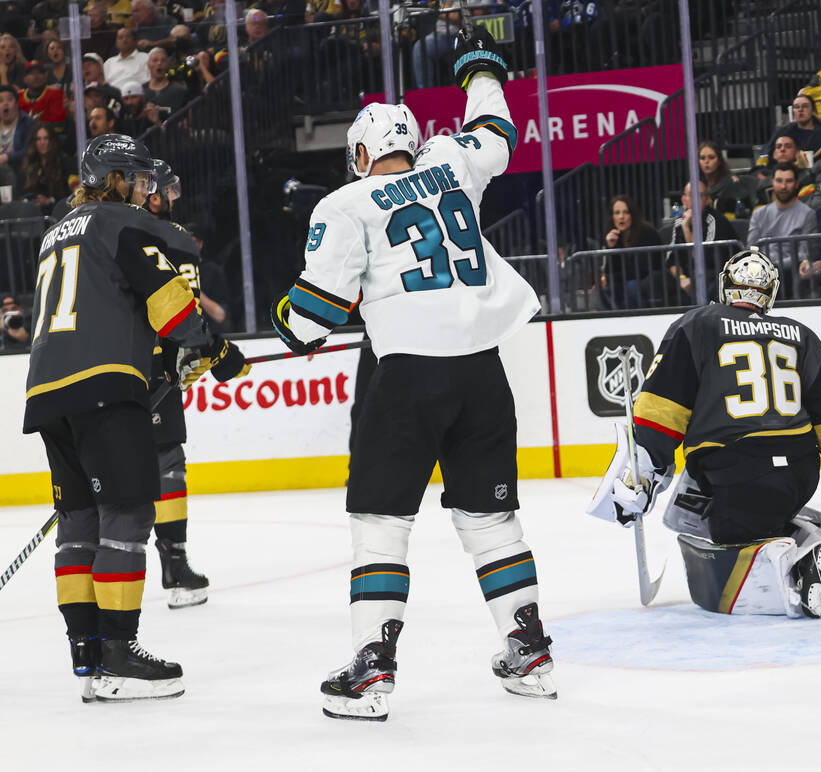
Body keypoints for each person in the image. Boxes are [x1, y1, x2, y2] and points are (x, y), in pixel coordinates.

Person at [270, 25, 555, 720]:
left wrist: (284, 321)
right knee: (491, 522)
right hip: (483, 372)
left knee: (380, 521)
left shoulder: (345, 202)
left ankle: (372, 670)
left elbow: (309, 319)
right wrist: (481, 66)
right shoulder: (453, 163)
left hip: (405, 378)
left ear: (361, 154)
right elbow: (494, 125)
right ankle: (531, 653)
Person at [25, 134, 248, 702]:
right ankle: (121, 654)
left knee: (78, 521)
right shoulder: (120, 222)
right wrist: (214, 350)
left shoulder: (57, 231)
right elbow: (169, 300)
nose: (146, 188)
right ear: (117, 178)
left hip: (48, 391)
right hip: (105, 385)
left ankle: (89, 656)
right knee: (125, 514)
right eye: (138, 178)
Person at [591, 248, 821, 618]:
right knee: (714, 506)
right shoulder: (799, 335)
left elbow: (661, 411)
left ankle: (805, 559)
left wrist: (642, 474)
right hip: (798, 474)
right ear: (770, 293)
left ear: (727, 287)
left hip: (734, 470)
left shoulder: (696, 325)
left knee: (725, 534)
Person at [143, 159, 225, 609]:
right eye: (166, 190)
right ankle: (174, 567)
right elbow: (188, 311)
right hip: (156, 366)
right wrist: (196, 353)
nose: (172, 197)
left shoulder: (115, 229)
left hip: (115, 361)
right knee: (168, 461)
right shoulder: (172, 237)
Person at [661, 179, 738, 305]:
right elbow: (672, 260)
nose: (695, 200)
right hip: (689, 275)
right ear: (684, 200)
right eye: (691, 195)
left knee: (702, 278)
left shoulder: (715, 220)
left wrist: (686, 228)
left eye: (700, 195)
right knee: (662, 281)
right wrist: (681, 278)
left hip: (718, 272)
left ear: (708, 199)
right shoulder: (678, 223)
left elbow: (700, 259)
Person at [747, 162, 817, 299]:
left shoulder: (808, 214)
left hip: (790, 272)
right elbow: (751, 250)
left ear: (797, 184)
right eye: (779, 181)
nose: (783, 186)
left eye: (789, 181)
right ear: (772, 182)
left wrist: (774, 266)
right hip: (761, 273)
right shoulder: (758, 214)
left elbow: (804, 253)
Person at [600, 194, 661, 310]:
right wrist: (611, 248)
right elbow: (610, 271)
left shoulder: (646, 232)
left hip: (651, 278)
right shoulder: (613, 236)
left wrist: (618, 276)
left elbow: (641, 269)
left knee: (631, 286)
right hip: (627, 279)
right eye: (617, 213)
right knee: (607, 288)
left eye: (626, 212)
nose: (621, 217)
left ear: (632, 215)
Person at [21, 125, 71, 211]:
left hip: (56, 210)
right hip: (33, 210)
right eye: (38, 139)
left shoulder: (62, 161)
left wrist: (49, 201)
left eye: (45, 138)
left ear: (51, 141)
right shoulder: (29, 163)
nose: (42, 142)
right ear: (35, 142)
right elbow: (23, 190)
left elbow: (66, 193)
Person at [0, 85, 39, 174]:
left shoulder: (28, 123)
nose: (5, 103)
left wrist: (7, 157)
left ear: (17, 103)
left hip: (19, 169)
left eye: (9, 100)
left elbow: (31, 149)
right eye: (0, 101)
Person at [104, 28, 151, 94]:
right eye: (120, 38)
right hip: (114, 97)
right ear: (116, 43)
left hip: (139, 94)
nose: (124, 40)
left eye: (127, 37)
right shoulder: (109, 62)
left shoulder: (146, 57)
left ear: (135, 40)